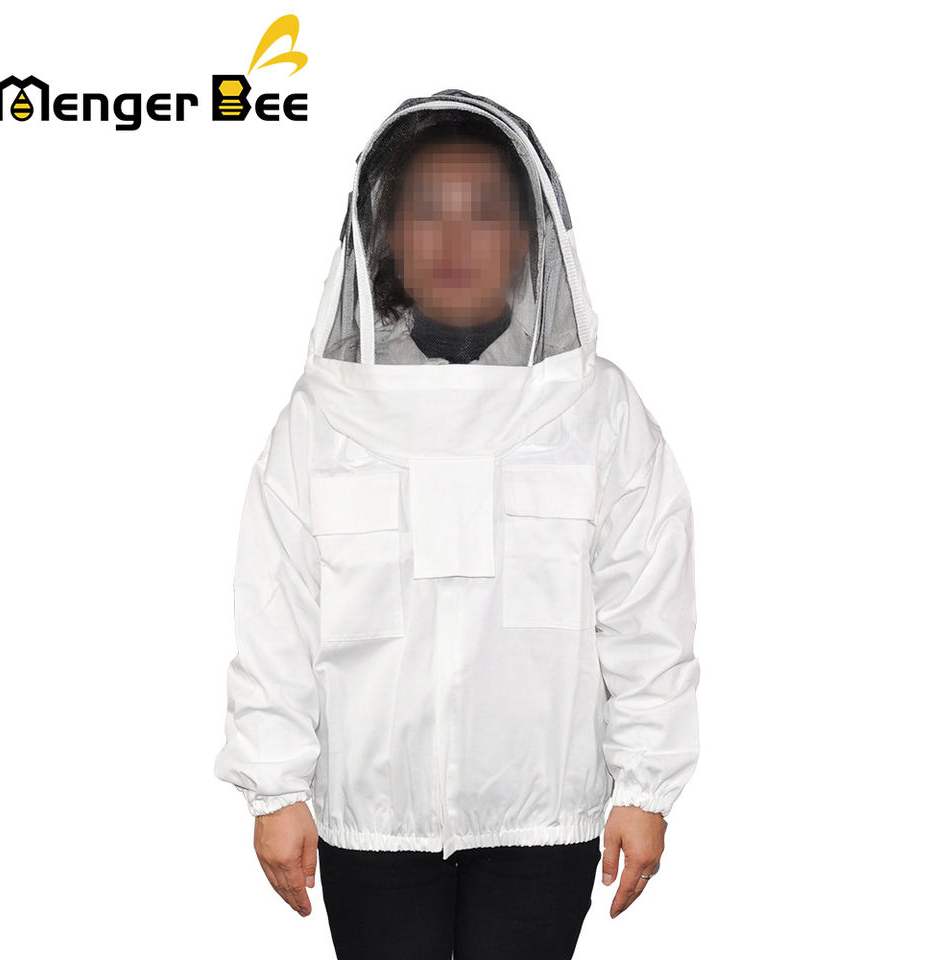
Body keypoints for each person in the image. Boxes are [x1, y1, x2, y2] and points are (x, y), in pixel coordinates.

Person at [214, 89, 701, 960]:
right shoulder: (323, 418)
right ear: (385, 237)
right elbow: (275, 607)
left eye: (484, 213)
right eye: (426, 213)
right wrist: (273, 787)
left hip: (544, 816)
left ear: (528, 238)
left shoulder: (595, 410)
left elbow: (647, 606)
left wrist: (647, 786)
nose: (453, 241)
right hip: (371, 819)